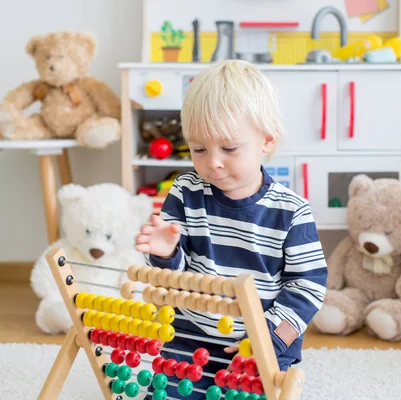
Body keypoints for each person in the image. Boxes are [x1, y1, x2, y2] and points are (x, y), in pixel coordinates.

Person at [135, 60, 328, 399]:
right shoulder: (184, 193)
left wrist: (269, 336)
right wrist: (165, 255)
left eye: (229, 148)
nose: (213, 162)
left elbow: (308, 286)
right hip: (193, 335)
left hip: (260, 342)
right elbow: (174, 279)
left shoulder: (292, 211)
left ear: (266, 140)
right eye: (198, 149)